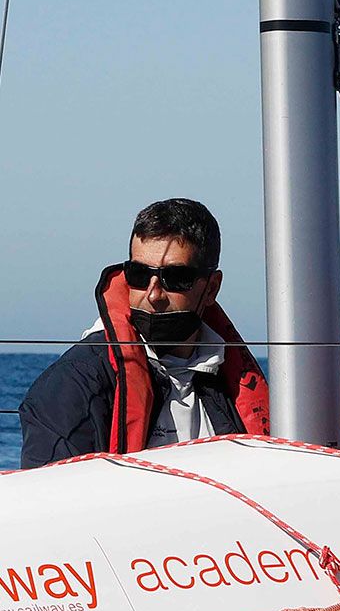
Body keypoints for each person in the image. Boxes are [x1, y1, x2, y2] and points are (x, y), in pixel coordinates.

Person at [20, 198, 268, 468]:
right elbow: (54, 501)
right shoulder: (71, 387)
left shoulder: (231, 378)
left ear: (211, 288)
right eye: (139, 274)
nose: (153, 294)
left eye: (175, 278)